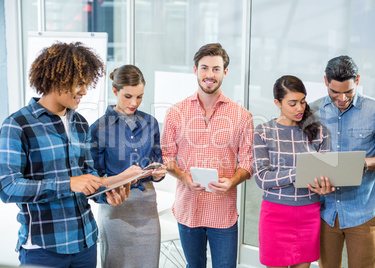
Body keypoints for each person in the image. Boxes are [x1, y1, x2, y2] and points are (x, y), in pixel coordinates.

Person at [0, 42, 147, 268]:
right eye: (79, 84)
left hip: (86, 244)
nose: (84, 91)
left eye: (86, 84)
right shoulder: (17, 125)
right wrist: (68, 184)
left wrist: (109, 190)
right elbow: (8, 188)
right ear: (56, 79)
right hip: (44, 249)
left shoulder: (79, 123)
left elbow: (88, 179)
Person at [160, 43, 254, 267]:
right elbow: (167, 156)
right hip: (188, 209)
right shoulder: (175, 113)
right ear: (195, 70)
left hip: (222, 213)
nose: (209, 75)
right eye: (204, 68)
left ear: (225, 72)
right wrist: (184, 178)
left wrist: (232, 181)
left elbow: (249, 163)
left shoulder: (242, 116)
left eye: (216, 69)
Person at [310, 55, 375, 268]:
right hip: (325, 213)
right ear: (326, 81)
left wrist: (366, 163)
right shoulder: (312, 111)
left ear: (358, 80)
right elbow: (305, 154)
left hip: (362, 213)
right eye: (335, 92)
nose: (342, 98)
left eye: (348, 91)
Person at [89, 64, 167, 268]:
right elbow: (92, 180)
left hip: (147, 209)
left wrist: (158, 174)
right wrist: (113, 186)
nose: (134, 102)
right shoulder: (98, 128)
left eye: (140, 96)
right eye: (128, 96)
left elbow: (156, 163)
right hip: (116, 209)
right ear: (115, 91)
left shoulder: (151, 123)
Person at [253, 75, 334, 268]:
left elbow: (325, 173)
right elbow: (262, 178)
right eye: (293, 103)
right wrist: (298, 173)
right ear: (277, 103)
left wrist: (324, 186)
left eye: (303, 102)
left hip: (308, 214)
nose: (300, 108)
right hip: (275, 214)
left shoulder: (319, 132)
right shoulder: (263, 131)